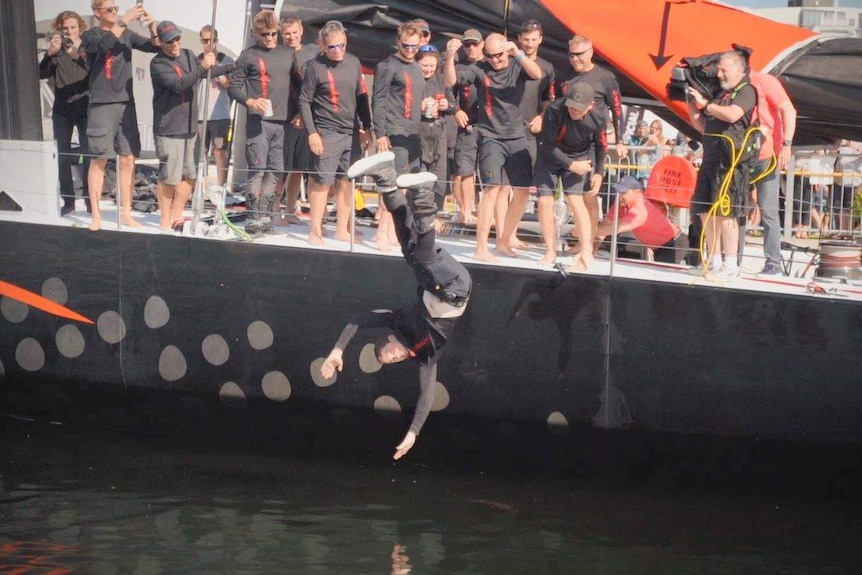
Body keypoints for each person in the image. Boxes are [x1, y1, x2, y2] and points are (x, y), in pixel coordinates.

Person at [321, 151, 472, 460]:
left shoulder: (393, 322)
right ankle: (423, 194)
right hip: (454, 289)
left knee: (409, 249)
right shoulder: (424, 358)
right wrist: (413, 433)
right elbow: (427, 397)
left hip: (438, 279)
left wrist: (337, 352)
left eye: (386, 354)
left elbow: (357, 320)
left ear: (389, 339)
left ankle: (387, 179)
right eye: (391, 361)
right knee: (418, 258)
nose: (392, 357)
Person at [443, 32, 543, 262]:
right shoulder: (480, 68)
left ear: (506, 50)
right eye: (491, 56)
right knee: (492, 190)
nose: (496, 60)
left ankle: (504, 240)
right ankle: (481, 248)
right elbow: (450, 81)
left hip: (517, 135)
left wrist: (517, 52)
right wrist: (449, 57)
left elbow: (537, 73)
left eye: (499, 55)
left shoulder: (517, 64)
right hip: (490, 137)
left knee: (522, 191)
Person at [81, 1, 160, 231]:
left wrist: (151, 24)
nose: (115, 12)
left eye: (116, 8)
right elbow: (104, 44)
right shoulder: (90, 34)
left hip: (126, 102)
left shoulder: (126, 33)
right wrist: (124, 19)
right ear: (97, 12)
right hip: (101, 104)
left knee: (128, 158)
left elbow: (153, 46)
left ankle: (126, 212)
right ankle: (96, 215)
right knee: (99, 159)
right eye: (110, 9)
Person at [151, 21, 234, 232]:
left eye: (177, 38)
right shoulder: (158, 63)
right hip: (169, 127)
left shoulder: (188, 55)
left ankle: (176, 214)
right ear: (161, 42)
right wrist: (202, 67)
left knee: (190, 175)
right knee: (169, 176)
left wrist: (233, 66)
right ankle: (164, 217)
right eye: (170, 40)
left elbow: (208, 72)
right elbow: (180, 84)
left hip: (190, 126)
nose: (175, 43)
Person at [299, 20, 372, 245]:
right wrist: (312, 132)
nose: (338, 50)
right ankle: (315, 230)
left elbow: (361, 97)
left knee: (346, 181)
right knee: (322, 182)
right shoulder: (315, 66)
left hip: (350, 131)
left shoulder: (354, 62)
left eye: (341, 45)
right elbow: (304, 101)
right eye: (332, 47)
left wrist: (367, 127)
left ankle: (342, 229)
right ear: (323, 46)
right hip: (326, 130)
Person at [687, 51, 757, 280]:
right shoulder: (720, 93)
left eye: (724, 70)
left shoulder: (746, 91)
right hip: (710, 158)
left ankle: (731, 264)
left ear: (739, 69)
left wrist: (705, 105)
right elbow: (702, 125)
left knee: (727, 213)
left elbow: (732, 114)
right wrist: (691, 103)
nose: (720, 74)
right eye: (718, 69)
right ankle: (713, 259)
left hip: (731, 162)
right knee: (705, 211)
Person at [228, 9, 296, 236]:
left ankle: (266, 218)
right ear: (256, 33)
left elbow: (298, 87)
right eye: (265, 34)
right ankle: (253, 219)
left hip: (282, 123)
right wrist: (249, 101)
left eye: (273, 34)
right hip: (258, 122)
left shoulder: (288, 54)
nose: (270, 38)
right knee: (257, 170)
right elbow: (233, 86)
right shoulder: (248, 55)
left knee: (276, 170)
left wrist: (298, 114)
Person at [534, 82, 606, 269]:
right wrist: (571, 165)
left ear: (590, 105)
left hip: (579, 156)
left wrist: (599, 172)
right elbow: (548, 145)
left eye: (580, 108)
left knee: (576, 200)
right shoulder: (555, 109)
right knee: (544, 201)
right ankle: (550, 249)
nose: (574, 110)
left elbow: (600, 146)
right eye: (572, 105)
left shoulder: (598, 117)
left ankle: (586, 250)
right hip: (550, 156)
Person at [372, 23, 425, 250]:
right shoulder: (387, 66)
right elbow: (378, 101)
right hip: (394, 132)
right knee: (391, 184)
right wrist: (380, 133)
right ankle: (381, 232)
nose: (410, 50)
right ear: (397, 42)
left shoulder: (417, 68)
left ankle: (395, 230)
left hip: (413, 133)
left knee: (404, 186)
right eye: (406, 45)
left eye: (415, 46)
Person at [743, 70, 797, 275]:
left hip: (768, 156)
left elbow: (788, 110)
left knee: (768, 210)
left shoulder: (765, 81)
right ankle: (733, 259)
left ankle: (773, 264)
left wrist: (786, 145)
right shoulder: (730, 84)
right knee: (738, 209)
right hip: (741, 157)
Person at [39, 10, 90, 216]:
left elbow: (91, 69)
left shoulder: (87, 47)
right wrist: (50, 53)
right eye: (65, 28)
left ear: (80, 28)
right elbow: (41, 73)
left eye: (73, 27)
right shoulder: (56, 50)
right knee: (63, 155)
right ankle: (68, 202)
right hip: (62, 109)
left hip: (85, 107)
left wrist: (75, 52)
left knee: (89, 155)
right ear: (60, 30)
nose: (69, 32)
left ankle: (89, 201)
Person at [277, 17, 320, 226]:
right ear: (281, 34)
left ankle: (290, 210)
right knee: (280, 167)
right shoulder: (278, 54)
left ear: (301, 31)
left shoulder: (312, 52)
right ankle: (275, 210)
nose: (291, 37)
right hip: (283, 117)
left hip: (305, 118)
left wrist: (305, 115)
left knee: (298, 167)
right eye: (287, 33)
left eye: (295, 32)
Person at [595, 175, 688, 264]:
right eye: (619, 192)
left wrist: (585, 232)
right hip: (662, 245)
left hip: (674, 243)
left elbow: (616, 228)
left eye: (623, 193)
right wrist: (591, 249)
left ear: (637, 193)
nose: (619, 196)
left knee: (662, 276)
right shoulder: (620, 205)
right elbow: (605, 227)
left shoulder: (640, 209)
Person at [449, 29, 484, 226]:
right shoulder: (457, 66)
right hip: (467, 125)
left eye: (475, 44)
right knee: (464, 170)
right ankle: (465, 211)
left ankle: (488, 213)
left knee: (490, 173)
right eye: (467, 44)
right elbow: (447, 90)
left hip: (490, 126)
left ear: (482, 44)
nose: (471, 48)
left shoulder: (492, 64)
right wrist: (456, 110)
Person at [416, 44, 454, 215]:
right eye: (425, 65)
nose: (428, 69)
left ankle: (433, 215)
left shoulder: (440, 79)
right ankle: (417, 212)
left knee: (439, 178)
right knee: (419, 175)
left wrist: (447, 105)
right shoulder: (411, 78)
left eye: (432, 66)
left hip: (438, 133)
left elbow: (453, 103)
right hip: (418, 133)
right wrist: (419, 106)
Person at [196, 25, 234, 190]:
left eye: (211, 41)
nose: (208, 44)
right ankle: (201, 186)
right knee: (199, 152)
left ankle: (221, 187)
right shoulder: (196, 60)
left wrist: (217, 71)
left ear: (216, 41)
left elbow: (231, 86)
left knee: (220, 151)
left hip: (219, 114)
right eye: (204, 41)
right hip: (199, 114)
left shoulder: (226, 61)